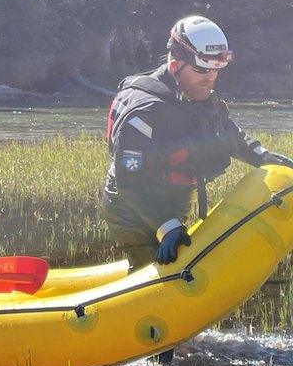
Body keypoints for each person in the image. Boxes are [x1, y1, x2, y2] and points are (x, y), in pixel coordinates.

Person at [103, 15, 293, 273]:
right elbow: (129, 184)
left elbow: (229, 134)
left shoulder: (200, 96)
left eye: (215, 70)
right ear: (175, 64)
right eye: (202, 70)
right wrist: (166, 226)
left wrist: (265, 157)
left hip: (174, 200)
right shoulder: (144, 113)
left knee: (179, 264)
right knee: (158, 275)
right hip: (133, 209)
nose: (210, 78)